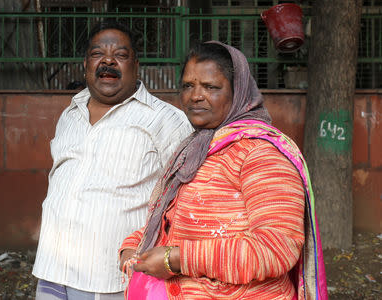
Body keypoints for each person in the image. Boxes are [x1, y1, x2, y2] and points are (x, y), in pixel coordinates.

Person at [119, 41, 328, 299]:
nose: (195, 95)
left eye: (211, 87)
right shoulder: (196, 148)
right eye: (188, 85)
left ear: (238, 92)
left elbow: (275, 249)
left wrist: (175, 259)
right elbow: (176, 222)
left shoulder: (260, 154)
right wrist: (135, 246)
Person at [32, 20, 193, 300]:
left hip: (111, 279)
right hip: (52, 268)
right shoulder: (71, 112)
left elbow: (188, 194)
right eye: (98, 54)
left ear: (136, 64)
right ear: (85, 64)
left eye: (120, 55)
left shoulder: (165, 120)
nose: (108, 61)